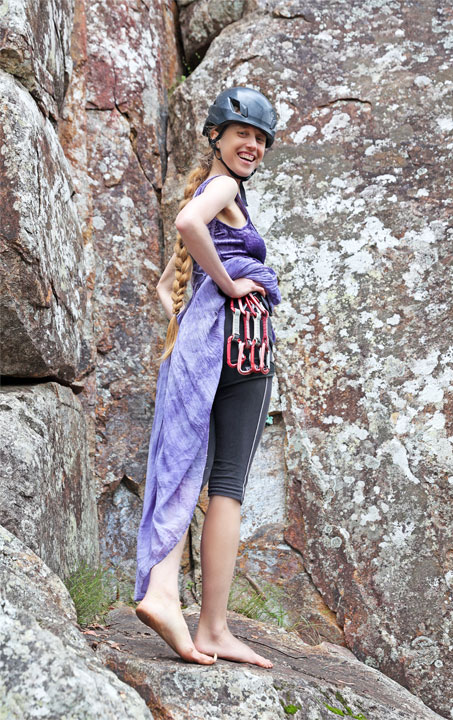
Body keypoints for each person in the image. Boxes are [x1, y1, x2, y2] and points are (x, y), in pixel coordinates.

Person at [134, 87, 281, 668]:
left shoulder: (211, 187)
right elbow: (188, 222)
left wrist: (197, 325)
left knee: (188, 464)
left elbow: (162, 288)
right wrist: (228, 286)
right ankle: (214, 627)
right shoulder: (222, 189)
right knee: (228, 483)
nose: (253, 146)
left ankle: (164, 592)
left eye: (261, 139)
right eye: (243, 133)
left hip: (207, 346)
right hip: (240, 347)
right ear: (216, 137)